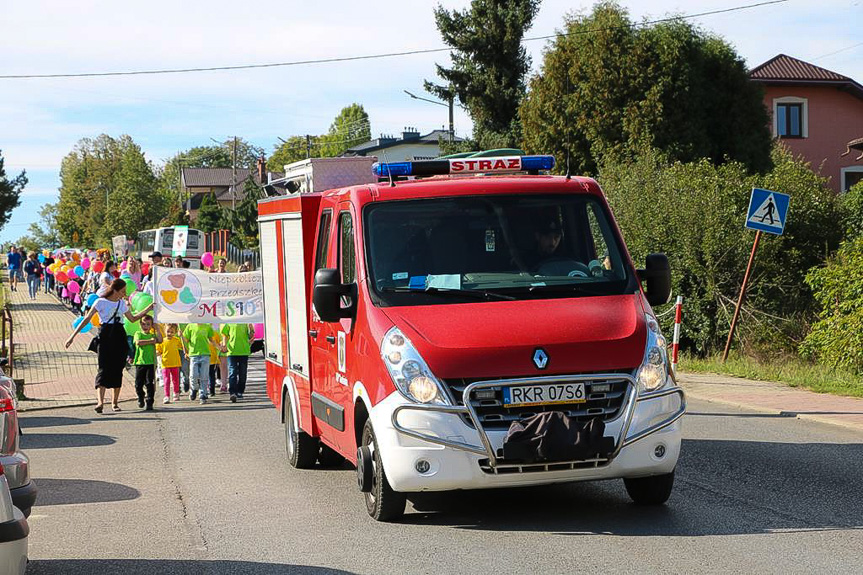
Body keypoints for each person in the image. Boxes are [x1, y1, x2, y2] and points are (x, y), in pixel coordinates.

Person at [65, 279, 154, 413]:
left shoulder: (121, 303)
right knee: (103, 367)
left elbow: (133, 319)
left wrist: (148, 308)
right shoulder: (100, 302)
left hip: (119, 336)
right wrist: (72, 336)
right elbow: (87, 319)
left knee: (118, 369)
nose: (124, 294)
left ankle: (114, 402)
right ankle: (100, 402)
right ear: (115, 290)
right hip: (105, 336)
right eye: (122, 291)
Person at [181, 323, 217, 405]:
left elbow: (211, 339)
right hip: (194, 355)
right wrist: (181, 336)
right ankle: (194, 388)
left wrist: (219, 347)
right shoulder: (190, 326)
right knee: (194, 375)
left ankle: (203, 394)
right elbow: (186, 340)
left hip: (205, 354)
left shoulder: (207, 326)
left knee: (204, 376)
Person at [133, 315, 162, 411]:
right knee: (138, 383)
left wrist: (157, 329)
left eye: (148, 324)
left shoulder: (153, 335)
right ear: (140, 324)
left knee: (150, 383)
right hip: (140, 362)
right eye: (143, 324)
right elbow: (138, 342)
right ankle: (141, 396)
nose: (145, 326)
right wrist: (150, 341)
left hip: (150, 363)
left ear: (151, 325)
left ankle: (150, 401)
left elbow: (160, 340)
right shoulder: (138, 333)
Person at [220, 323, 254, 402]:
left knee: (243, 373)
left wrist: (251, 329)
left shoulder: (246, 322)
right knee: (232, 371)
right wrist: (224, 344)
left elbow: (250, 336)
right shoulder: (230, 321)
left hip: (244, 351)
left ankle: (240, 391)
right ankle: (232, 392)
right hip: (232, 351)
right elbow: (225, 334)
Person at [156, 324, 183, 403]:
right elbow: (158, 351)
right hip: (165, 363)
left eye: (172, 332)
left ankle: (176, 393)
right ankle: (166, 396)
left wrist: (181, 337)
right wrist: (156, 353)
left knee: (175, 380)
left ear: (175, 332)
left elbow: (182, 346)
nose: (169, 333)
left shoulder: (176, 340)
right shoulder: (162, 341)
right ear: (165, 331)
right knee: (166, 380)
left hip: (175, 363)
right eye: (168, 331)